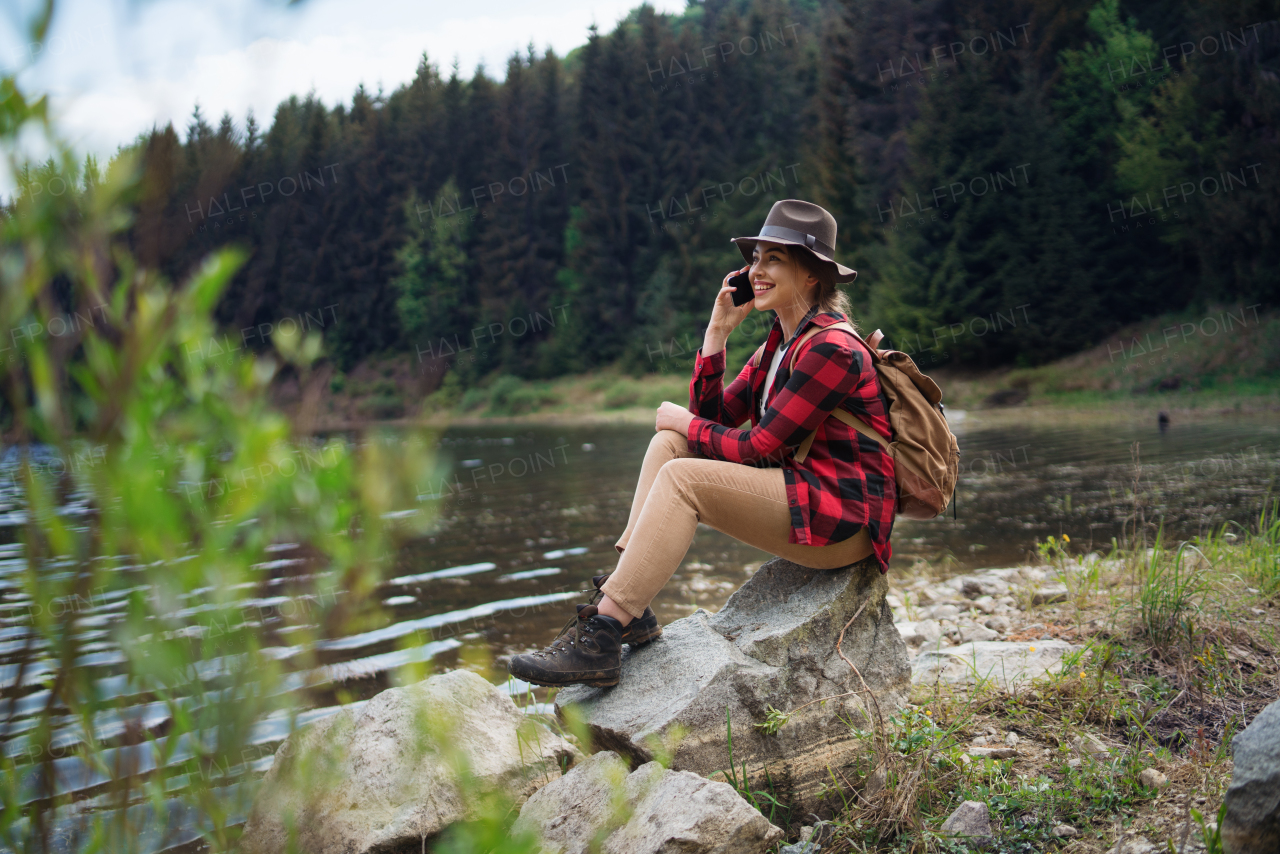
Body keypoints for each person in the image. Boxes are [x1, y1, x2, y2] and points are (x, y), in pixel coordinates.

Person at [507, 199, 896, 688]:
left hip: (844, 524)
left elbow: (755, 446)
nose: (756, 270)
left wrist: (686, 422)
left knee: (682, 473)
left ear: (813, 275)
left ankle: (603, 634)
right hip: (806, 496)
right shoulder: (780, 343)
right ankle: (631, 602)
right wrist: (717, 335)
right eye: (755, 258)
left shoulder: (832, 350)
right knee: (670, 444)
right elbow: (714, 420)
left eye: (774, 258)